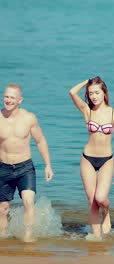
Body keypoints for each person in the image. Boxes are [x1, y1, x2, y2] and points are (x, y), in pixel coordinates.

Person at [69, 77, 114, 238]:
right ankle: (97, 239)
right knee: (92, 202)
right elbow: (72, 92)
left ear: (104, 93)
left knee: (100, 198)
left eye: (97, 92)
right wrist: (86, 82)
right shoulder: (87, 110)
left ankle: (106, 212)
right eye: (90, 93)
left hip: (107, 159)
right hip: (87, 159)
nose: (94, 96)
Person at [0, 83, 54, 242]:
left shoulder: (29, 118)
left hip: (25, 168)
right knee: (2, 209)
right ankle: (2, 238)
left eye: (12, 97)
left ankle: (27, 238)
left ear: (19, 100)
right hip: (3, 168)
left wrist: (48, 164)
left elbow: (40, 140)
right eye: (6, 96)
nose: (8, 100)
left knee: (28, 202)